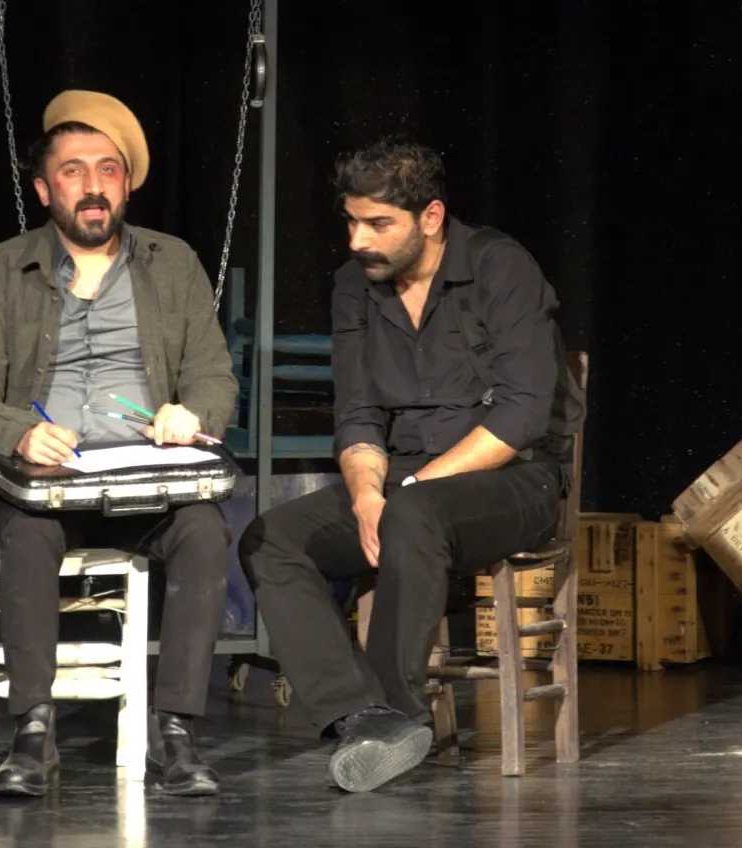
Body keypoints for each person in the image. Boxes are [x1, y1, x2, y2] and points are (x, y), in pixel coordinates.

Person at [238, 136, 583, 793]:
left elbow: (520, 416)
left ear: (430, 217)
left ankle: (397, 708)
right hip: (403, 484)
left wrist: (408, 490)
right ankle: (363, 713)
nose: (357, 240)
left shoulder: (500, 268)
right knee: (271, 538)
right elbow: (358, 413)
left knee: (415, 512)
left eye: (377, 224)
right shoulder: (355, 286)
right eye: (350, 222)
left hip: (516, 481)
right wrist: (368, 495)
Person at [0, 90, 238, 798]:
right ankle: (33, 731)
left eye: (108, 169)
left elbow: (214, 377)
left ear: (126, 184)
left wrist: (191, 412)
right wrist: (21, 432)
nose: (94, 185)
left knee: (204, 529)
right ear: (45, 189)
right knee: (29, 533)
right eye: (73, 171)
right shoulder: (0, 270)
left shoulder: (173, 263)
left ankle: (175, 731)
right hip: (48, 484)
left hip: (144, 482)